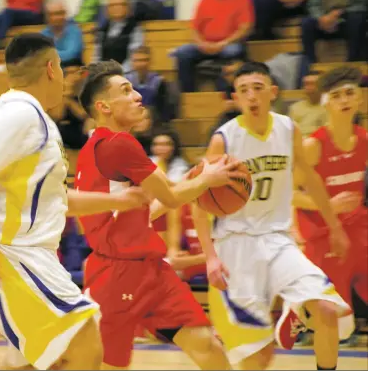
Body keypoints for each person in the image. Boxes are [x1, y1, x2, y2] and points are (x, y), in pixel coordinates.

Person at [0, 33, 149, 371]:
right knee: (85, 342)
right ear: (52, 68)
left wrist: (123, 201)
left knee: (45, 360)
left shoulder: (29, 116)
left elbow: (55, 200)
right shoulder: (19, 115)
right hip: (5, 250)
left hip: (17, 251)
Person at [74, 60, 239, 370]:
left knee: (205, 343)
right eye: (126, 90)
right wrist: (208, 179)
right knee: (110, 365)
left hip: (151, 271)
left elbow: (145, 209)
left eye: (135, 88)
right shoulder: (118, 143)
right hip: (117, 275)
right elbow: (170, 196)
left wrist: (193, 181)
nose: (138, 95)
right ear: (104, 106)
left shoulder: (96, 146)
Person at [191, 61, 354, 370]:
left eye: (258, 88)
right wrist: (210, 256)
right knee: (259, 358)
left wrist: (334, 225)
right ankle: (294, 308)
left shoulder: (288, 128)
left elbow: (310, 177)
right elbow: (200, 203)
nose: (251, 96)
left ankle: (300, 308)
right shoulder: (224, 140)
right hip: (235, 246)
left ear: (273, 92)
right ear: (235, 98)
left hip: (278, 239)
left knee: (328, 310)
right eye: (243, 91)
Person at [293, 66, 368, 343]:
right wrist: (329, 206)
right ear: (326, 103)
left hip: (357, 226)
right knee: (333, 322)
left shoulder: (364, 139)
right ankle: (301, 317)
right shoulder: (314, 145)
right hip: (323, 231)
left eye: (350, 94)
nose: (345, 100)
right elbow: (289, 193)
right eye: (337, 96)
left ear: (359, 99)